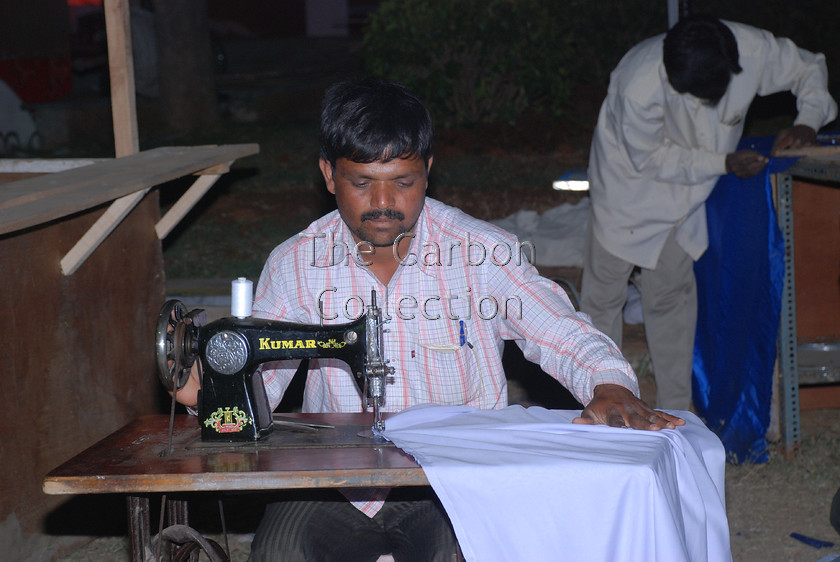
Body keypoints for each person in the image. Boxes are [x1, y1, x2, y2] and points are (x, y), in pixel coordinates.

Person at [175, 77, 684, 561]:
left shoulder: (482, 253)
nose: (383, 204)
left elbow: (563, 333)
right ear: (329, 175)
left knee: (459, 552)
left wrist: (609, 383)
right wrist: (211, 386)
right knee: (281, 553)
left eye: (402, 182)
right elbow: (262, 375)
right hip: (336, 483)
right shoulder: (297, 265)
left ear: (428, 170)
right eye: (362, 183)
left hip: (454, 479)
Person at [581, 15, 837, 411]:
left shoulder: (752, 50)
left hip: (687, 195)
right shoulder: (638, 83)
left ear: (733, 66)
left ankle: (677, 412)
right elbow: (650, 159)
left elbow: (809, 66)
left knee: (669, 299)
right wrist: (723, 162)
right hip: (627, 190)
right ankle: (600, 401)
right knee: (603, 301)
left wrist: (807, 121)